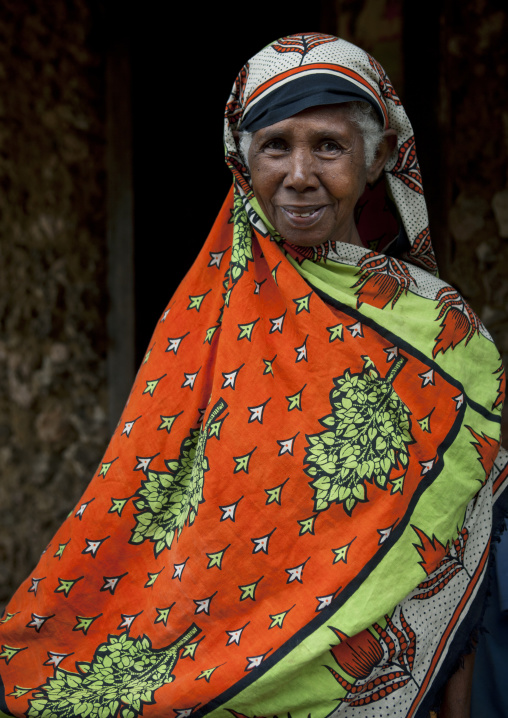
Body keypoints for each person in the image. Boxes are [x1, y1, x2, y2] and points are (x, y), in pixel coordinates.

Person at [0, 32, 506, 718]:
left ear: (376, 155)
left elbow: (468, 538)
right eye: (275, 146)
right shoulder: (203, 323)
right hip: (219, 675)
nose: (300, 173)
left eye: (328, 145)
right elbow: (154, 511)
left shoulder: (442, 333)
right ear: (242, 162)